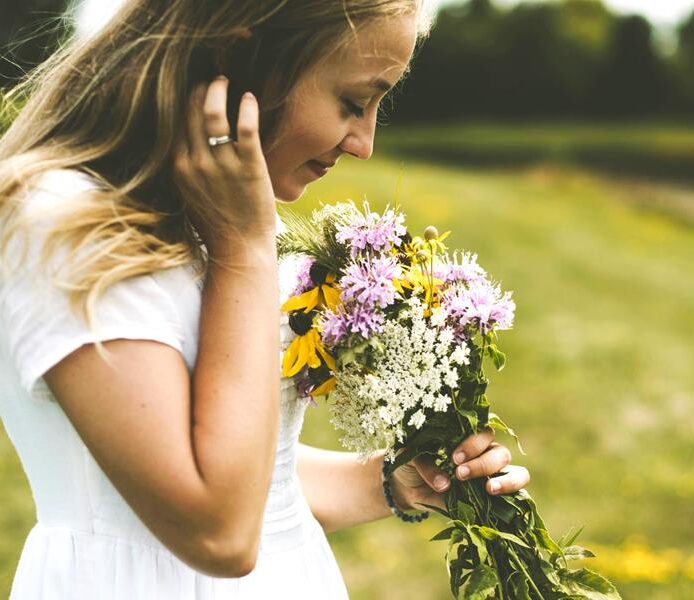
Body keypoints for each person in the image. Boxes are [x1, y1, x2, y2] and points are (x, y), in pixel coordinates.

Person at [0, 1, 531, 598]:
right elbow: (220, 531)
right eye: (354, 103)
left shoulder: (223, 211)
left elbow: (257, 469)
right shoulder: (65, 223)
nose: (364, 144)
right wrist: (243, 250)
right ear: (243, 55)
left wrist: (388, 481)